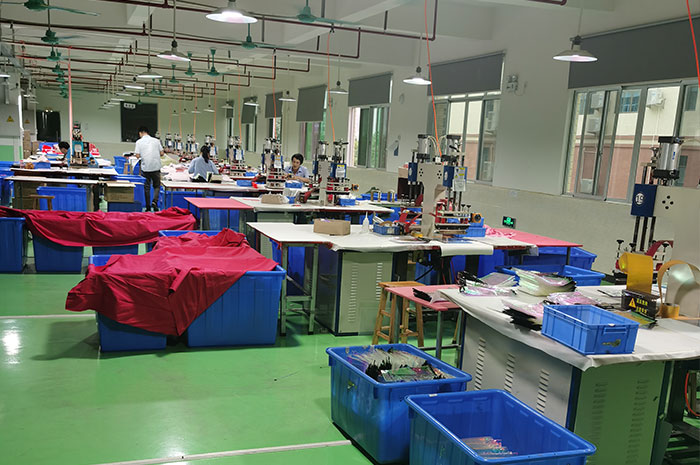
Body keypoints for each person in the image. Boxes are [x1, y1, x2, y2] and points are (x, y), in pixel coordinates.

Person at [133, 126, 164, 211]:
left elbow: (137, 155)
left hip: (145, 167)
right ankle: (155, 202)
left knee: (147, 187)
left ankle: (147, 207)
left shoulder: (139, 142)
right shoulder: (156, 141)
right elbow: (162, 153)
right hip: (156, 167)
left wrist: (144, 154)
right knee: (157, 186)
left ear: (140, 133)